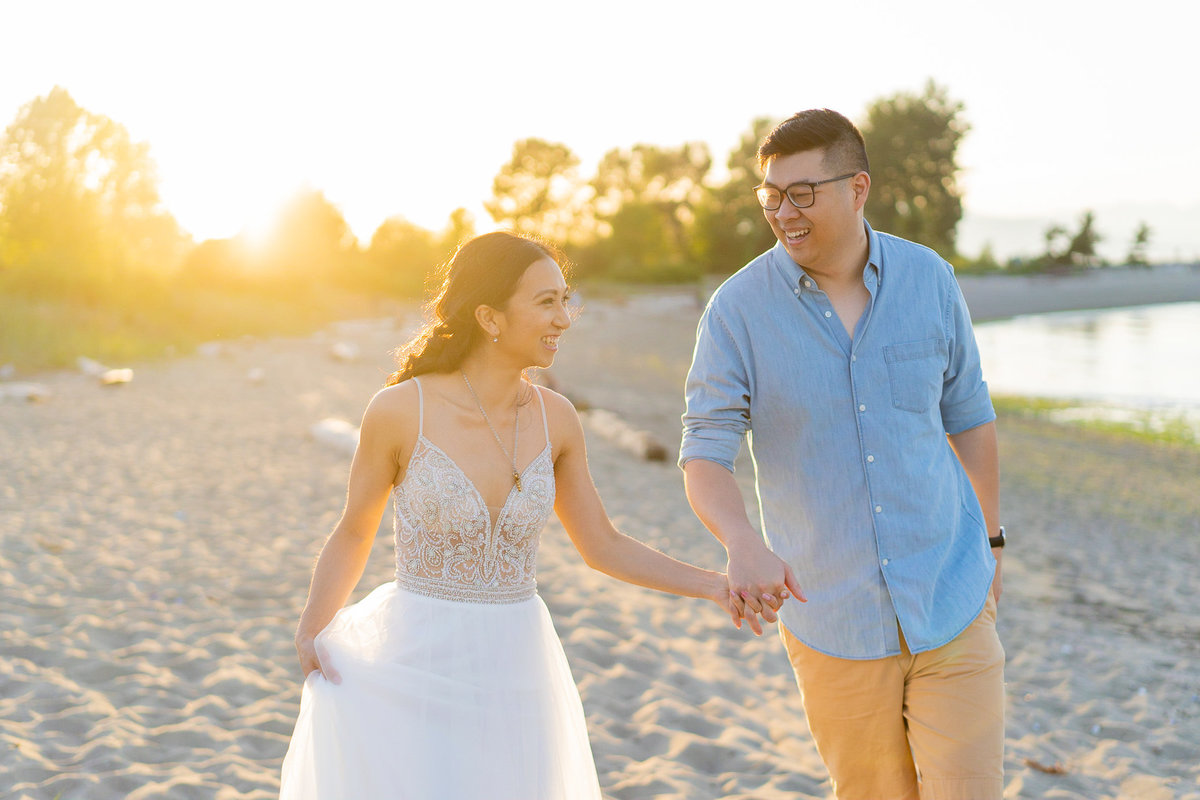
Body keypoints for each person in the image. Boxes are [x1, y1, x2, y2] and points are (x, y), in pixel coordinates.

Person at [278, 230, 743, 799]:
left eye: (565, 299)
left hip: (518, 666)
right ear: (490, 317)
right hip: (418, 657)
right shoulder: (400, 410)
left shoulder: (559, 419)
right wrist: (312, 626)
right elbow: (355, 529)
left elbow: (604, 545)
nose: (565, 318)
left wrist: (716, 586)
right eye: (547, 302)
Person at [679, 109, 1006, 800]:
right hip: (832, 619)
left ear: (857, 189)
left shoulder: (930, 279)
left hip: (952, 594)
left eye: (803, 193)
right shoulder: (736, 311)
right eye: (771, 195)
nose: (783, 212)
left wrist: (994, 541)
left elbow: (970, 416)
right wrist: (741, 541)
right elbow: (704, 452)